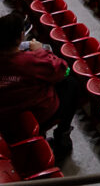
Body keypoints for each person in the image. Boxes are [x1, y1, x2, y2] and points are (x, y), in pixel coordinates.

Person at [0, 12, 81, 159]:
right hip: (30, 115)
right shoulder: (29, 61)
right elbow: (62, 70)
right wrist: (40, 51)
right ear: (20, 36)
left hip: (5, 116)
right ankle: (62, 136)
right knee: (71, 84)